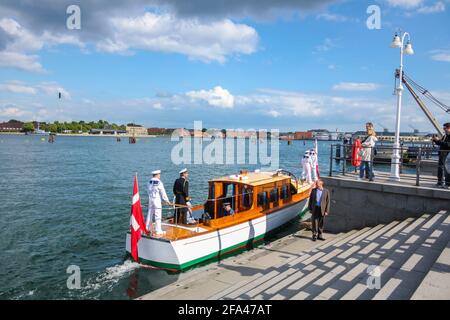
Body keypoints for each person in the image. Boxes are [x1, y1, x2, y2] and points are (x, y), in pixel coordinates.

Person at [146, 170, 170, 236]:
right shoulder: (159, 182)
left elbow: (148, 191)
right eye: (159, 174)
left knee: (149, 214)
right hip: (156, 200)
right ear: (157, 175)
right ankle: (158, 230)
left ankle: (147, 228)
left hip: (150, 199)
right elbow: (163, 192)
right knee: (158, 215)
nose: (160, 175)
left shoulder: (149, 182)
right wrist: (167, 201)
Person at [432, 122, 450, 188]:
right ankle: (440, 182)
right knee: (440, 168)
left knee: (446, 169)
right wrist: (435, 140)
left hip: (447, 156)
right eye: (444, 128)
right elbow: (441, 143)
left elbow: (448, 145)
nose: (444, 129)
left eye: (445, 128)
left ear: (449, 128)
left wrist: (438, 141)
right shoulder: (445, 135)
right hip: (442, 154)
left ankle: (446, 183)